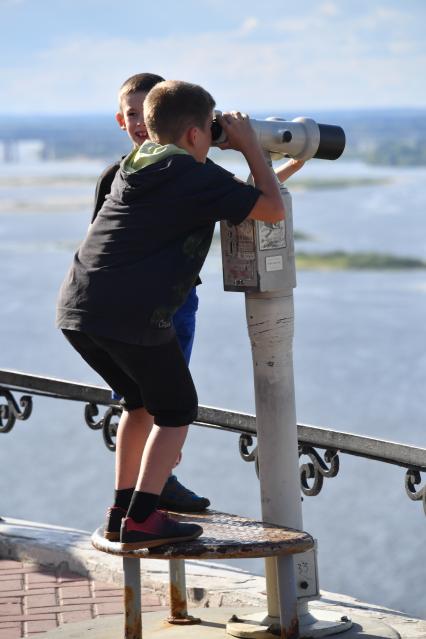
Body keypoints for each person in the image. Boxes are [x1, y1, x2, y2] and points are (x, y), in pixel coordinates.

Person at [56, 79, 285, 550]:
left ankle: (122, 510)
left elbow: (199, 200)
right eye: (209, 129)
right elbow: (272, 209)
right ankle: (143, 519)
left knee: (140, 404)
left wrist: (219, 153)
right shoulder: (195, 178)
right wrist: (247, 148)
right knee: (178, 409)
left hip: (77, 310)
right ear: (197, 135)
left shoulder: (132, 167)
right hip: (130, 314)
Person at [91, 72, 209, 517]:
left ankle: (156, 485)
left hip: (180, 303)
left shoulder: (191, 171)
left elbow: (244, 197)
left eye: (148, 113)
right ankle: (150, 496)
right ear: (121, 120)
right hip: (141, 309)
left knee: (164, 401)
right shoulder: (119, 177)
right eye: (133, 114)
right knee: (156, 404)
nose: (141, 122)